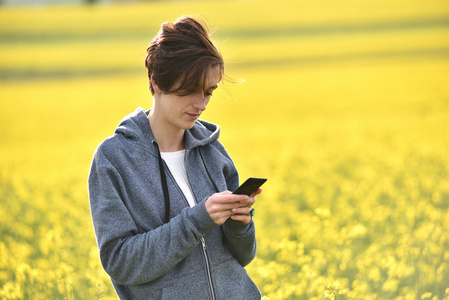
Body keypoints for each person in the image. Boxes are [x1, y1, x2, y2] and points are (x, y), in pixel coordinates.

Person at [88, 15, 262, 300]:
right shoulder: (114, 159)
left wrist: (240, 224)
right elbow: (120, 263)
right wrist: (197, 220)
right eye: (191, 90)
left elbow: (243, 257)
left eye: (208, 92)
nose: (201, 104)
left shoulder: (212, 150)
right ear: (156, 82)